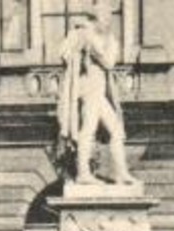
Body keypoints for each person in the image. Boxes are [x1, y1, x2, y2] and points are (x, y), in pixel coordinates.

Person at [57, 3, 136, 186]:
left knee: (116, 130)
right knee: (89, 129)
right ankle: (83, 173)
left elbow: (108, 61)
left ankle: (121, 173)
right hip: (89, 87)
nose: (108, 20)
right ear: (96, 17)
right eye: (105, 16)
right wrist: (103, 44)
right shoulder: (88, 35)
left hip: (99, 89)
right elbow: (108, 62)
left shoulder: (98, 37)